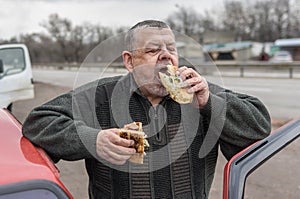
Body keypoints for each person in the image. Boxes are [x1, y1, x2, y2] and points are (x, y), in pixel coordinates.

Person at [22, 20, 271, 199]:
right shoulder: (101, 96)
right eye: (153, 50)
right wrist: (92, 140)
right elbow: (39, 120)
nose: (166, 57)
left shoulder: (200, 93)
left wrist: (209, 103)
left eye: (171, 50)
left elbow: (259, 126)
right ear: (129, 61)